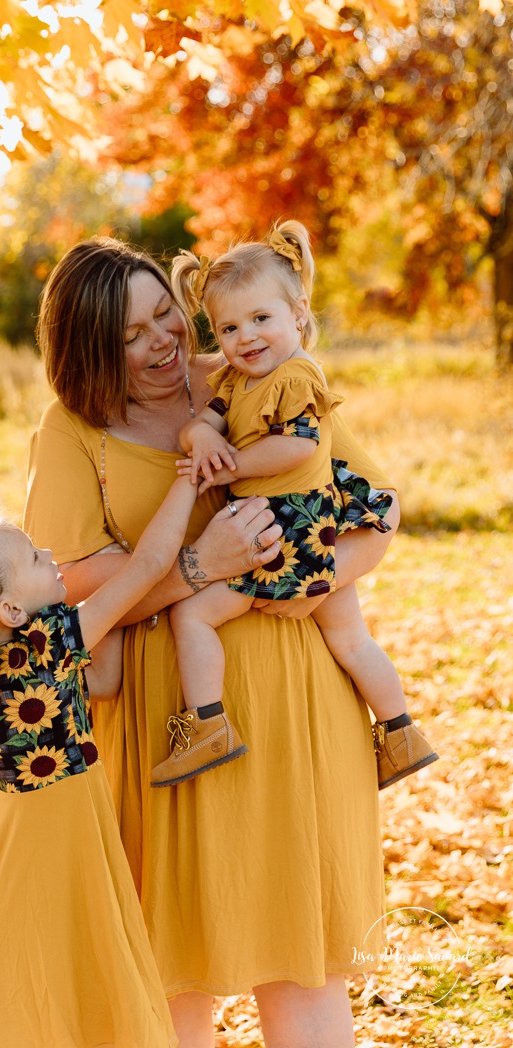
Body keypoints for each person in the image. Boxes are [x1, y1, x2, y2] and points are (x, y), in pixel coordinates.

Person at [23, 235, 410, 1048]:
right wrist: (203, 565)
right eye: (130, 335)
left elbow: (376, 507)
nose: (162, 342)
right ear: (88, 349)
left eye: (165, 314)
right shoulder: (72, 431)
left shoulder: (246, 375)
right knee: (170, 974)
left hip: (296, 706)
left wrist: (315, 577)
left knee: (302, 962)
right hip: (169, 727)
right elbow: (72, 585)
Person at [0, 471, 200, 1047]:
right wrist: (189, 477)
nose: (49, 554)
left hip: (17, 862)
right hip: (58, 860)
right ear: (12, 611)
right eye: (34, 557)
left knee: (50, 1005)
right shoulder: (43, 647)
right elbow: (148, 567)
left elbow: (105, 681)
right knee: (81, 987)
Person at [147, 221, 438, 790]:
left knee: (193, 615)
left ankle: (209, 725)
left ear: (299, 314)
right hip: (312, 530)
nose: (246, 337)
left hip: (286, 532)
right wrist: (198, 437)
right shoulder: (234, 381)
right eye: (229, 327)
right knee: (350, 638)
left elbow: (301, 445)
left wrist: (228, 464)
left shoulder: (299, 375)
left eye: (261, 319)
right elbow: (199, 427)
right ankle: (400, 733)